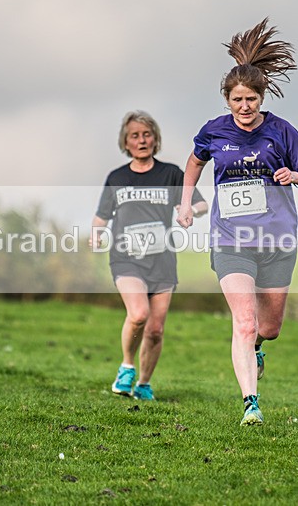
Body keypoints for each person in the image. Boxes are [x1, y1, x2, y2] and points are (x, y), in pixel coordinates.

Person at [177, 18, 298, 426]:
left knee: (268, 328)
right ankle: (251, 404)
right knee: (243, 320)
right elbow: (195, 162)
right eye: (237, 100)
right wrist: (186, 204)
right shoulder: (213, 131)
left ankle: (258, 346)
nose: (244, 107)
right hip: (230, 240)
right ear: (227, 99)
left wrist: (295, 176)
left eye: (251, 100)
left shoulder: (282, 132)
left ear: (261, 98)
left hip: (276, 240)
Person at [91, 110, 207, 401]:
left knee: (155, 330)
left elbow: (201, 204)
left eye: (146, 134)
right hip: (126, 258)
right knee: (139, 314)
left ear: (155, 139)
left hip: (162, 260)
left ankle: (143, 384)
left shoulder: (171, 174)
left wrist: (188, 209)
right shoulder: (116, 177)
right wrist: (96, 234)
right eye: (134, 136)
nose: (141, 140)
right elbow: (101, 218)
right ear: (126, 142)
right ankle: (126, 366)